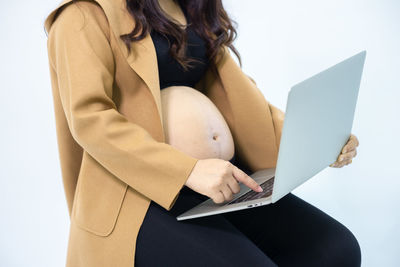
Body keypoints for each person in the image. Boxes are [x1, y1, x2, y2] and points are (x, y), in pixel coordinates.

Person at [44, 0, 361, 266]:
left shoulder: (191, 7)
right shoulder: (83, 15)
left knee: (336, 249)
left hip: (220, 185)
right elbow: (91, 120)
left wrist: (316, 142)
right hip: (139, 196)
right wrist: (188, 170)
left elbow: (244, 105)